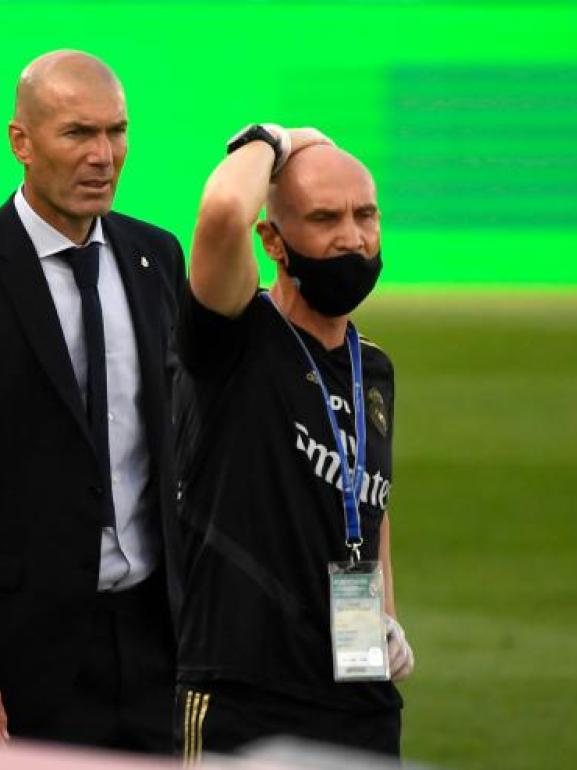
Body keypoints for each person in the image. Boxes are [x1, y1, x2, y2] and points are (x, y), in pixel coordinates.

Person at [0, 50, 184, 752]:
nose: (103, 155)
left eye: (116, 131)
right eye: (78, 133)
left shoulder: (157, 258)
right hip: (22, 656)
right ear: (21, 141)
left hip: (158, 643)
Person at [172, 125, 415, 761]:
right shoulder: (232, 336)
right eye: (324, 218)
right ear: (273, 240)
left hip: (359, 696)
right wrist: (276, 139)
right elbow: (223, 210)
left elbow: (368, 502)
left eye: (366, 215)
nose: (353, 237)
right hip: (244, 693)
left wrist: (385, 618)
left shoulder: (373, 367)